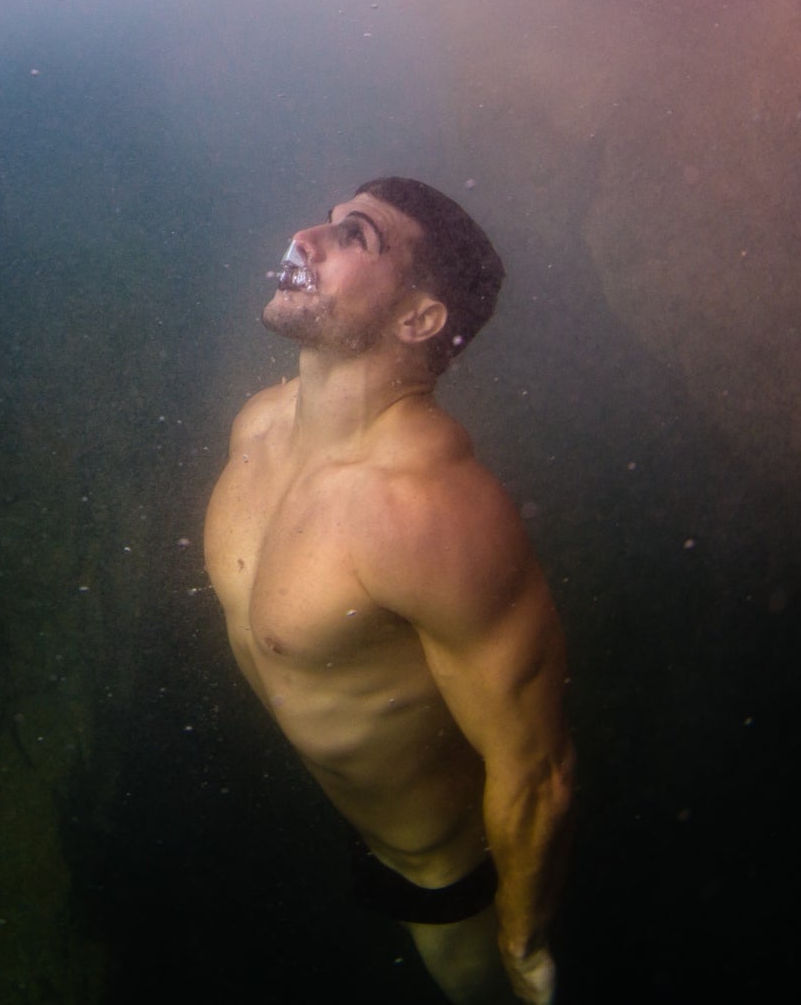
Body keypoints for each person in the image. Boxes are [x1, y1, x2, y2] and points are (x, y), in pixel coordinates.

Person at [203, 178, 573, 1004]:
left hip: (438, 873)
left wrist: (524, 939)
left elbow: (537, 769)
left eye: (355, 237)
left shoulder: (427, 510)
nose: (304, 237)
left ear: (418, 318)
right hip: (327, 806)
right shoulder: (259, 422)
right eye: (328, 220)